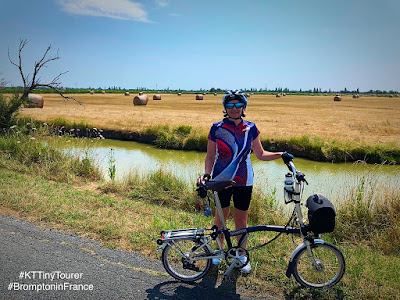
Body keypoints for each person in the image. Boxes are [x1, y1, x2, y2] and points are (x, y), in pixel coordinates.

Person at [198, 90, 284, 274]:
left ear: (243, 107)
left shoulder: (251, 128)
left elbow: (260, 154)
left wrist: (281, 155)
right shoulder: (216, 128)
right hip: (221, 178)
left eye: (238, 105)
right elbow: (210, 156)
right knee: (221, 216)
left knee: (241, 218)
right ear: (225, 108)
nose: (234, 109)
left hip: (244, 179)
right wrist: (206, 174)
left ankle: (241, 254)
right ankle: (219, 250)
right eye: (230, 105)